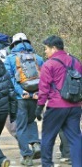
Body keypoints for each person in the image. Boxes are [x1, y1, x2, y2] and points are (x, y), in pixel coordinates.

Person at [35, 35, 82, 167]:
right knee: (75, 137)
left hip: (56, 106)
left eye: (46, 49)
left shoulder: (49, 64)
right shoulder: (76, 61)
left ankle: (47, 164)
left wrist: (39, 106)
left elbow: (43, 88)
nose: (45, 52)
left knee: (48, 137)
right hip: (75, 106)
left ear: (54, 48)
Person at [4, 33, 43, 166]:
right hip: (35, 96)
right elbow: (44, 79)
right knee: (31, 121)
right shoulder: (38, 58)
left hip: (20, 98)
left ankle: (26, 156)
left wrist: (21, 92)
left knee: (20, 127)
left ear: (13, 45)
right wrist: (37, 93)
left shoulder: (9, 59)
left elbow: (9, 80)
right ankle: (36, 144)